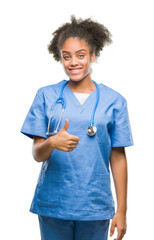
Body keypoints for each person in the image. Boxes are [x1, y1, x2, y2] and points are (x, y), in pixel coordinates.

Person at [20, 15, 134, 240]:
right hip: (54, 203)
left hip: (94, 204)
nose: (73, 62)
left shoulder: (115, 101)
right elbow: (37, 154)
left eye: (80, 55)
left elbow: (118, 156)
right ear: (60, 58)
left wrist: (122, 210)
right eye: (66, 56)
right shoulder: (46, 96)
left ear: (92, 55)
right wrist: (51, 142)